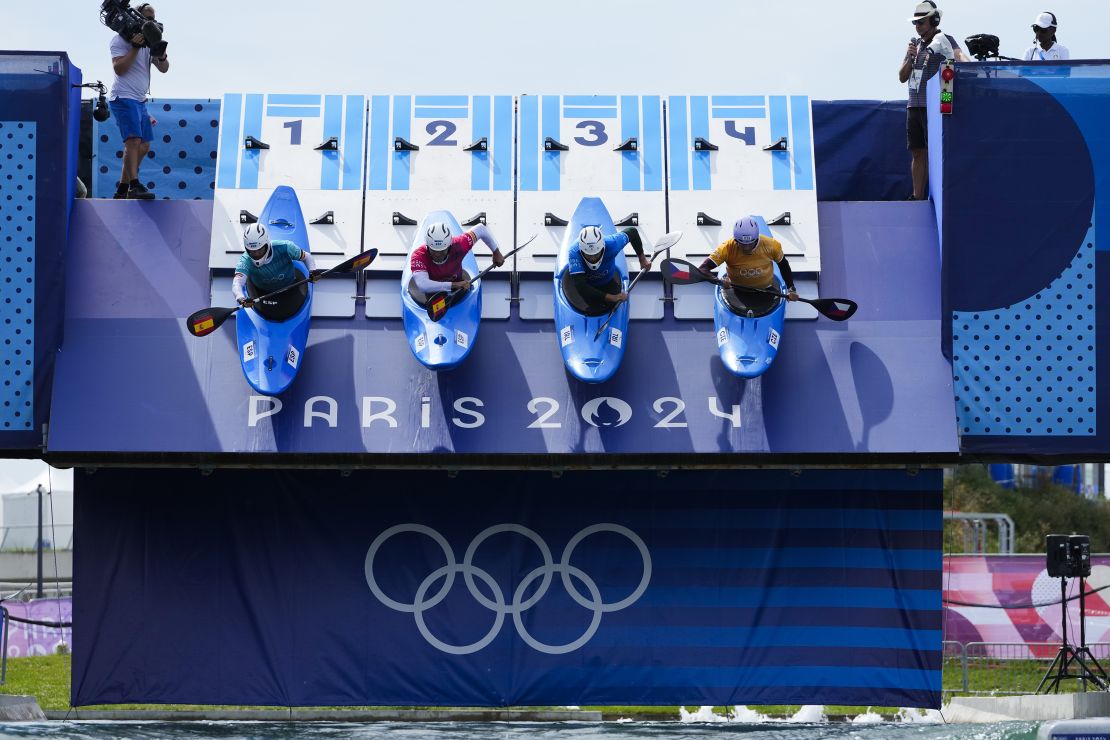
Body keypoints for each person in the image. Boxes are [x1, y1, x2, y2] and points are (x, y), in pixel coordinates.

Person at [898, 1, 967, 201]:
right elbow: (902, 77)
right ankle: (917, 196)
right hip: (914, 104)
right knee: (917, 151)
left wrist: (973, 69)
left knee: (936, 151)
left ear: (934, 20)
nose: (917, 26)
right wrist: (911, 58)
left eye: (921, 22)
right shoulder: (915, 45)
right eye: (915, 23)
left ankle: (941, 196)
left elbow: (960, 56)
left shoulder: (945, 39)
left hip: (934, 105)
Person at [108, 2, 169, 200]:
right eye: (147, 18)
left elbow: (164, 69)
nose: (151, 22)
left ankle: (121, 190)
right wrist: (134, 47)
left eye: (153, 19)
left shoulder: (150, 43)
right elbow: (119, 69)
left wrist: (160, 54)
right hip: (123, 96)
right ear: (135, 16)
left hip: (140, 101)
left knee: (143, 146)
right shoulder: (119, 40)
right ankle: (134, 185)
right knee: (133, 141)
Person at [698, 217, 798, 316]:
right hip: (737, 289)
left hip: (766, 289)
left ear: (757, 239)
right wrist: (719, 281)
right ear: (735, 240)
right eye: (741, 243)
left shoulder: (772, 245)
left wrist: (791, 288)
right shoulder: (726, 248)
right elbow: (703, 269)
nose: (746, 248)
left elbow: (783, 265)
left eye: (750, 243)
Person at [232, 224, 321, 321]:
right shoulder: (245, 260)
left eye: (260, 250)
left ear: (266, 243)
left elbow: (307, 257)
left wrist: (312, 271)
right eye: (252, 251)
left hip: (289, 287)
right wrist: (241, 299)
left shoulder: (285, 247)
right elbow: (237, 283)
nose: (256, 254)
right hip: (261, 292)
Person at [564, 226, 651, 315]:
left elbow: (632, 232)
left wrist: (642, 259)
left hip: (608, 281)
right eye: (588, 255)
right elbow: (582, 287)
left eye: (596, 254)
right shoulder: (574, 252)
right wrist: (613, 297)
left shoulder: (613, 243)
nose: (593, 258)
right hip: (585, 285)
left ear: (603, 247)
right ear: (582, 251)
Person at [409, 222, 504, 302]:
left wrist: (496, 252)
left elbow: (481, 229)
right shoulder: (418, 256)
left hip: (457, 287)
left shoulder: (460, 245)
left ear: (450, 246)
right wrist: (454, 285)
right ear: (427, 246)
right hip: (433, 294)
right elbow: (423, 285)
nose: (438, 255)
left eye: (442, 251)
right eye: (434, 251)